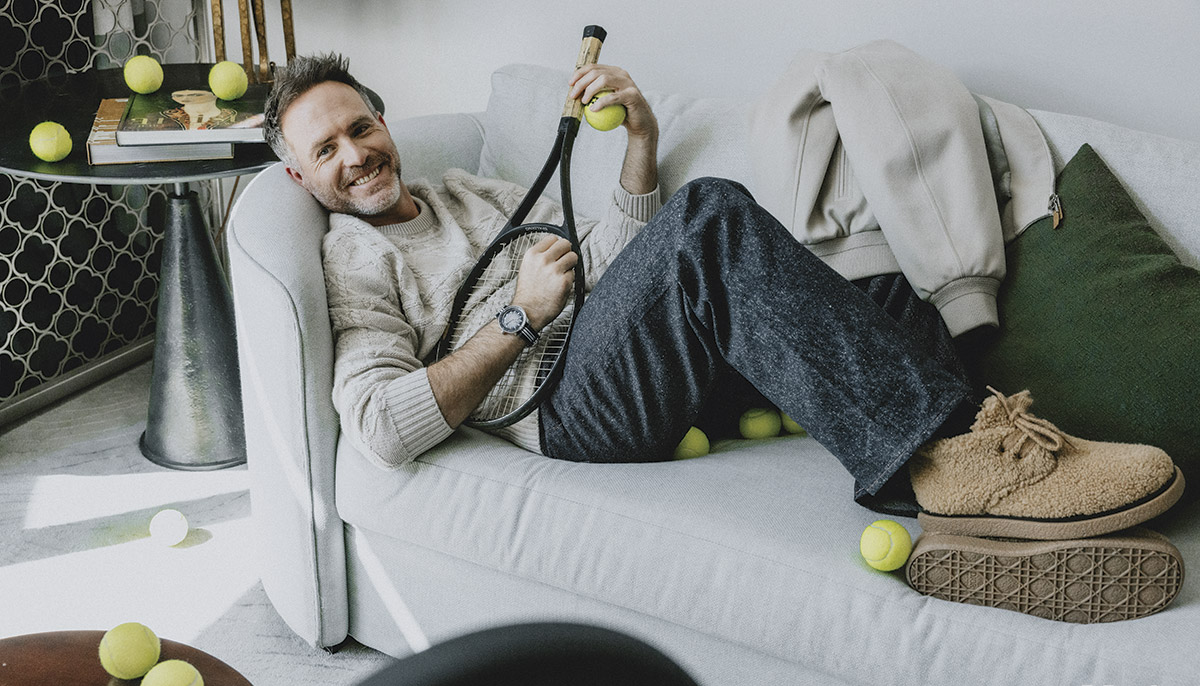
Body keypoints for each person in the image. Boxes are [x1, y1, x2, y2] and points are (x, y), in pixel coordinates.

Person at [261, 53, 1185, 621]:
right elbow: (381, 425)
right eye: (327, 151)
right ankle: (958, 465)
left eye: (361, 127)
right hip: (567, 412)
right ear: (303, 179)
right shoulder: (353, 264)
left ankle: (976, 519)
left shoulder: (467, 192)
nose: (356, 156)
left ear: (382, 122)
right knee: (711, 218)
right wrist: (519, 318)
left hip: (623, 357)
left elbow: (621, 267)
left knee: (875, 282)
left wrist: (640, 141)